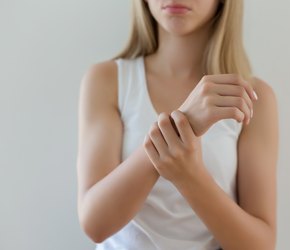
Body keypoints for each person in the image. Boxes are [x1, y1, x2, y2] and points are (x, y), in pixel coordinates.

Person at [76, 0, 279, 249]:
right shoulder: (108, 81)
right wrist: (184, 124)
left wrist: (189, 175)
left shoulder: (253, 98)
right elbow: (95, 224)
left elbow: (260, 246)